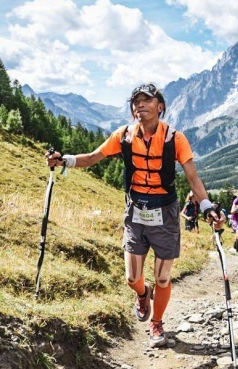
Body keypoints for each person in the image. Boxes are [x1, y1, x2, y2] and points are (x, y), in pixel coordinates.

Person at [46, 83, 217, 348]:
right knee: (132, 278)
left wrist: (207, 207)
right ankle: (143, 293)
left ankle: (157, 322)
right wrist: (64, 160)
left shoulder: (175, 139)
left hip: (165, 212)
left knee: (163, 277)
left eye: (147, 100)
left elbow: (193, 178)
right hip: (136, 210)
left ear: (160, 106)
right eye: (136, 101)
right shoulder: (124, 135)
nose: (140, 104)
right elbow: (92, 157)